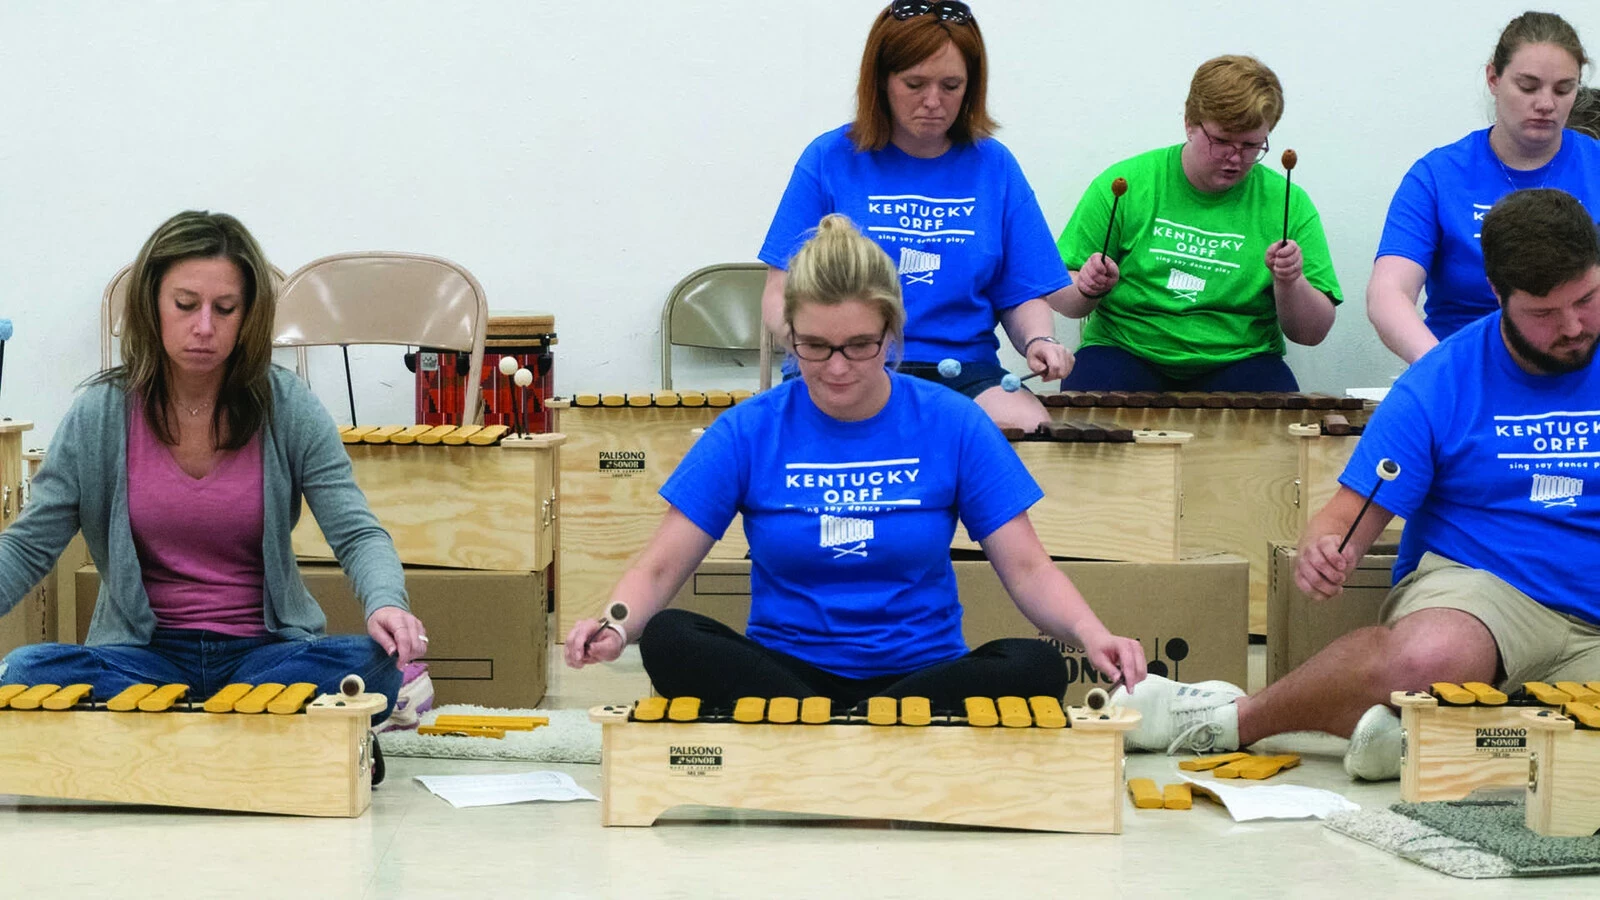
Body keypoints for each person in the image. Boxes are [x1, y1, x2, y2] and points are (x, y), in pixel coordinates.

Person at [1115, 189, 1600, 781]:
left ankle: (1425, 736)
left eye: (1588, 300)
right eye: (1545, 314)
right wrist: (1325, 550)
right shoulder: (1439, 381)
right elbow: (1344, 519)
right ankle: (1229, 718)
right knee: (1430, 658)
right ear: (1498, 296)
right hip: (1489, 595)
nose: (1574, 327)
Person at [568, 215, 1146, 709]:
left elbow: (1027, 569)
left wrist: (1092, 633)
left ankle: (840, 734)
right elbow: (660, 569)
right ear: (789, 332)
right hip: (786, 678)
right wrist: (615, 625)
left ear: (892, 332)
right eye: (815, 346)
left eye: (859, 345)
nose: (837, 367)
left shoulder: (953, 421)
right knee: (671, 637)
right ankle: (862, 732)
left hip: (920, 679)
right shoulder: (750, 429)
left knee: (1036, 668)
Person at [0, 211, 426, 781]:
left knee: (366, 662)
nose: (205, 326)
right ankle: (279, 737)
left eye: (225, 309)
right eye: (185, 304)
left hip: (263, 656)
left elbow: (356, 531)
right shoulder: (98, 414)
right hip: (140, 659)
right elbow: (30, 546)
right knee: (24, 670)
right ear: (152, 304)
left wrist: (386, 603)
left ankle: (173, 739)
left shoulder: (287, 404)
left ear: (248, 316)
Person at [758, 1, 1072, 430]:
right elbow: (780, 293)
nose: (933, 102)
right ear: (881, 82)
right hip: (846, 363)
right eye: (914, 83)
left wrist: (1041, 340)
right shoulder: (828, 159)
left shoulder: (995, 166)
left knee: (1028, 427)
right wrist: (827, 351)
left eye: (951, 85)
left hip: (963, 372)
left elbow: (1020, 293)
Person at [1052, 55, 1341, 392]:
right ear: (1190, 123)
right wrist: (1087, 287)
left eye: (1251, 146)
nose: (1235, 158)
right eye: (1222, 142)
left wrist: (1290, 282)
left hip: (1240, 359)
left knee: (1278, 428)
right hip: (1125, 350)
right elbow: (1061, 297)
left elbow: (1312, 333)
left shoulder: (1289, 203)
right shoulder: (1124, 186)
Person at [1368, 12, 1600, 364]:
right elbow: (1388, 293)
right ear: (1494, 78)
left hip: (1581, 368)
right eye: (1528, 86)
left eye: (1563, 89)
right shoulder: (1437, 175)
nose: (1546, 104)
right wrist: (1442, 371)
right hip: (1464, 363)